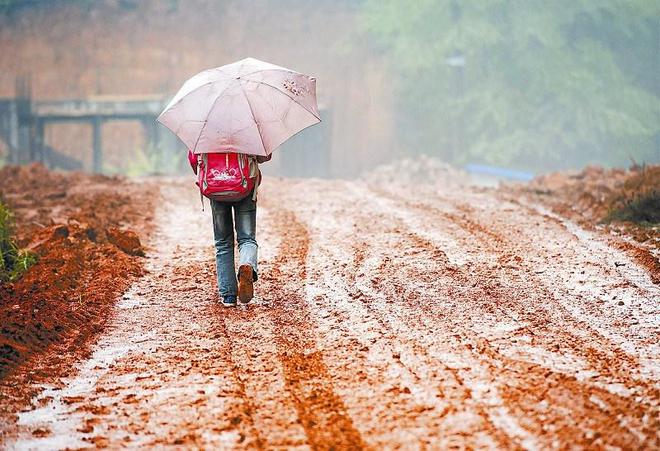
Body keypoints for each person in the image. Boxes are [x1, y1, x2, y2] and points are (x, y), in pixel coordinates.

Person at [189, 150, 272, 307]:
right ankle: (246, 264)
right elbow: (264, 156)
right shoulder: (249, 126)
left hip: (215, 186)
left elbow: (194, 159)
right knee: (247, 238)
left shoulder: (205, 128)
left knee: (223, 242)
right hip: (244, 185)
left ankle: (228, 296)